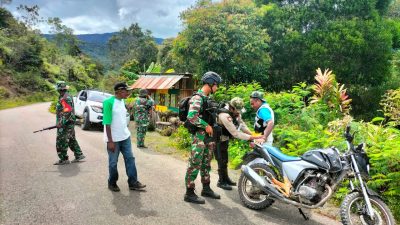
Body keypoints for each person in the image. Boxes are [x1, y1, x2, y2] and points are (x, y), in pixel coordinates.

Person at [184, 71, 222, 204]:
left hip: (208, 137)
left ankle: (206, 188)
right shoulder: (197, 98)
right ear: (210, 83)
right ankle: (189, 192)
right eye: (216, 85)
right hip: (199, 137)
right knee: (195, 163)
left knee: (206, 163)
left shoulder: (207, 99)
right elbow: (192, 116)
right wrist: (206, 125)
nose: (217, 88)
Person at [103, 82, 146, 192]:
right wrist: (110, 141)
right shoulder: (108, 103)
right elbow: (107, 123)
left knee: (130, 159)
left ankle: (133, 182)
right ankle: (112, 183)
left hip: (125, 137)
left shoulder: (122, 101)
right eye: (126, 91)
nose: (128, 93)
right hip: (113, 139)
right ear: (119, 91)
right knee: (113, 163)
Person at [215, 97, 263, 190]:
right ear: (232, 108)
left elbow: (242, 125)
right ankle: (221, 181)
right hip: (217, 139)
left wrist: (252, 133)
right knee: (221, 159)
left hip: (224, 137)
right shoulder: (224, 115)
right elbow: (235, 133)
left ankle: (226, 179)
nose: (239, 113)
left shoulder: (235, 112)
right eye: (237, 111)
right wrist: (252, 137)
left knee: (225, 159)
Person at [54, 81, 85, 165]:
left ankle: (64, 159)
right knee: (71, 139)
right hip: (69, 122)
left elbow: (67, 112)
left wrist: (60, 122)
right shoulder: (66, 96)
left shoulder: (64, 98)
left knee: (61, 140)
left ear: (59, 89)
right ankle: (79, 155)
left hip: (65, 124)